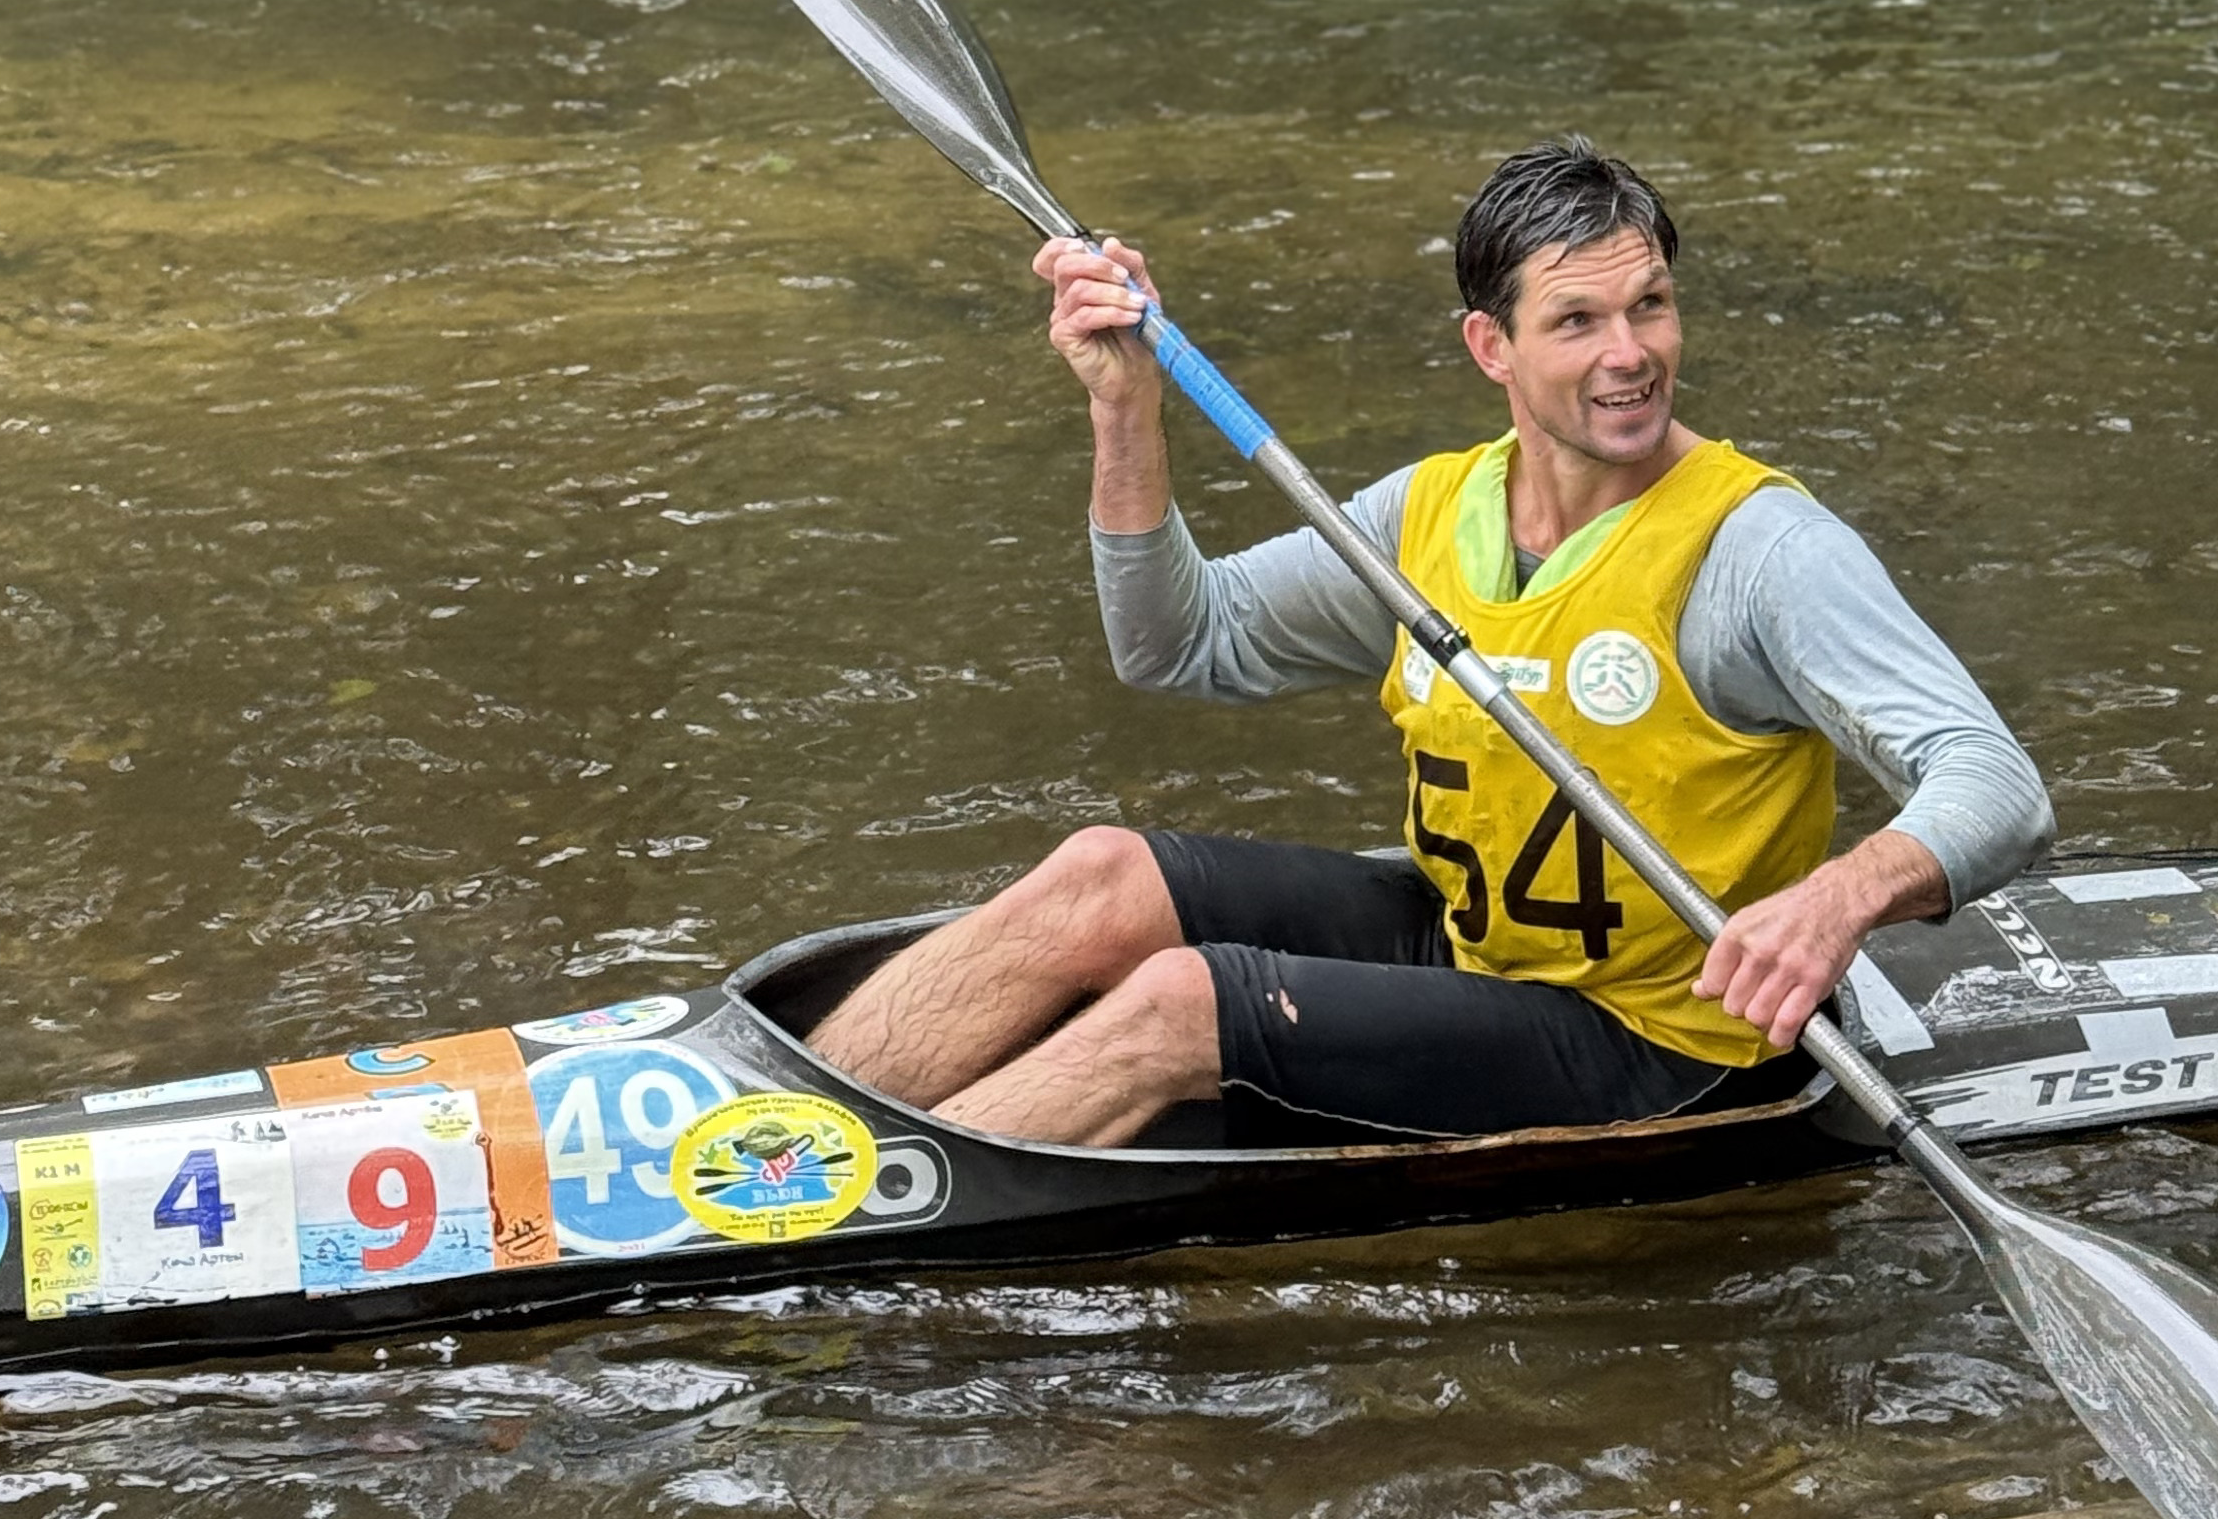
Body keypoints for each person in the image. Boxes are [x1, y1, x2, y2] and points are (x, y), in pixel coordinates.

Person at [808, 137, 2051, 1146]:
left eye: (1652, 307)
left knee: (1181, 1007)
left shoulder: (1766, 553)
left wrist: (1837, 899)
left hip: (1671, 1037)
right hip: (1479, 945)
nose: (1631, 355)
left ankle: (822, 1217)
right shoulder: (1427, 514)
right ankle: (769, 1133)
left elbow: (1996, 786)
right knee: (1099, 877)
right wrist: (1125, 405)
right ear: (1490, 346)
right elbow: (1178, 645)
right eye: (1578, 321)